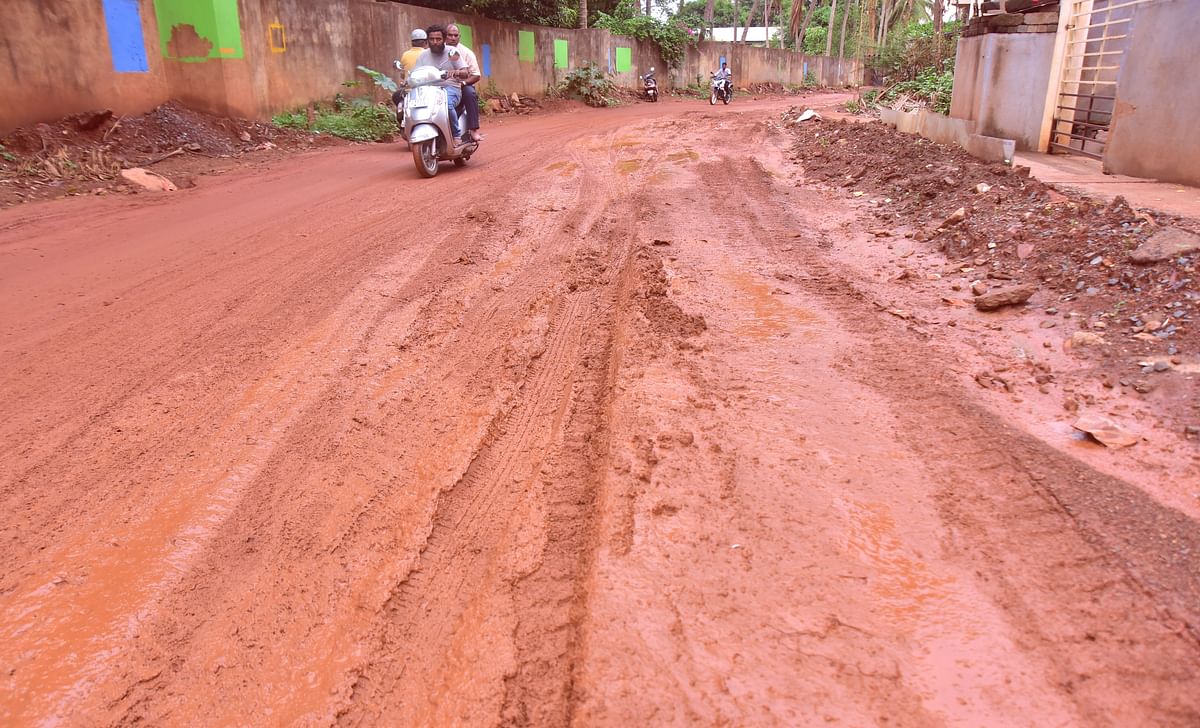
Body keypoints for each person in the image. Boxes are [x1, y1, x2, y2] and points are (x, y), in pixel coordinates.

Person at [414, 24, 476, 143]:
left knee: (445, 105)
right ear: (427, 40)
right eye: (431, 39)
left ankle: (456, 135)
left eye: (438, 39)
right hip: (428, 90)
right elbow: (416, 73)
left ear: (444, 40)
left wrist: (456, 72)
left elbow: (465, 72)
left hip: (450, 88)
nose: (435, 42)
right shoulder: (423, 56)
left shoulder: (452, 53)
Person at [446, 24, 484, 142]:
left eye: (455, 35)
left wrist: (463, 83)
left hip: (461, 85)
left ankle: (473, 129)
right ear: (445, 36)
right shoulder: (439, 51)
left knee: (469, 93)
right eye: (450, 35)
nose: (453, 38)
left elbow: (476, 75)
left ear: (459, 37)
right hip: (441, 85)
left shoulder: (467, 53)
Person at [393, 29, 429, 108]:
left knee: (396, 97)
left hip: (410, 88)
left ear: (412, 42)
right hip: (427, 88)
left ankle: (401, 117)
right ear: (426, 42)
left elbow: (402, 75)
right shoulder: (428, 54)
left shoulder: (405, 55)